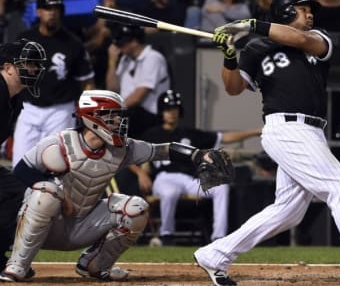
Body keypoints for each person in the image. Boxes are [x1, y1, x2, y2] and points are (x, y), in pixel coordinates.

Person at [193, 0, 340, 286]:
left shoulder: (317, 38)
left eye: (310, 9)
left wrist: (250, 24)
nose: (310, 14)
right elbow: (233, 88)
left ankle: (215, 254)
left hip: (310, 132)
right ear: (284, 11)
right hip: (285, 129)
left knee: (288, 212)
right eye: (302, 9)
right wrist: (229, 56)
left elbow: (298, 39)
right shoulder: (257, 48)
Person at [0, 89, 233, 282]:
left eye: (119, 116)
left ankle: (94, 265)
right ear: (93, 117)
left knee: (136, 208)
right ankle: (18, 264)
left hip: (83, 226)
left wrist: (197, 155)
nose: (119, 121)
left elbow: (162, 150)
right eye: (112, 116)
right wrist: (59, 193)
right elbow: (21, 172)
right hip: (48, 225)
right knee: (47, 192)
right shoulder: (58, 144)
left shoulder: (123, 148)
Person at [141, 90, 261, 245]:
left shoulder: (189, 133)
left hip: (190, 179)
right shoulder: (151, 134)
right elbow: (134, 157)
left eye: (175, 109)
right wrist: (141, 174)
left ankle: (219, 237)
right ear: (161, 111)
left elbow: (223, 137)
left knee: (221, 188)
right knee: (170, 192)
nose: (172, 113)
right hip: (165, 178)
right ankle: (166, 236)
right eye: (168, 109)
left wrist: (254, 132)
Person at [12, 0, 95, 167]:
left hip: (60, 111)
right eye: (48, 8)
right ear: (38, 12)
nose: (52, 13)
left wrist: (88, 114)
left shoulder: (73, 43)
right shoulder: (25, 40)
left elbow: (87, 82)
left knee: (55, 167)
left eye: (56, 9)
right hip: (29, 109)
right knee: (19, 165)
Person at [0, 39, 46, 273]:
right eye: (28, 64)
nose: (34, 70)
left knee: (17, 189)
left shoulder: (14, 98)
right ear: (8, 68)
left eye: (36, 65)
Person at [106, 24, 170, 139]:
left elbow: (138, 97)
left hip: (150, 116)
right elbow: (112, 89)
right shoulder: (125, 59)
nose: (118, 46)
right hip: (130, 112)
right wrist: (112, 62)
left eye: (121, 42)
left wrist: (112, 111)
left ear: (134, 42)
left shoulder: (153, 58)